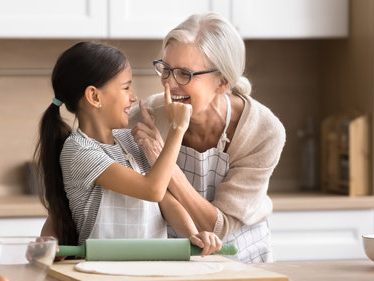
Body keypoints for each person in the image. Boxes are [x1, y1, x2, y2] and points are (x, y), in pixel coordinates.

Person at [35, 41, 222, 256]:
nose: (133, 97)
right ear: (95, 97)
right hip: (101, 272)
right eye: (125, 88)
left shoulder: (130, 139)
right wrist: (177, 129)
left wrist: (192, 234)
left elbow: (165, 200)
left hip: (150, 268)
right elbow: (152, 190)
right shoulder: (79, 150)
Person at [130, 12, 286, 262]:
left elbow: (220, 228)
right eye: (166, 69)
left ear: (222, 82)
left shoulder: (263, 131)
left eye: (185, 74)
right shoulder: (145, 119)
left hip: (242, 255)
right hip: (171, 256)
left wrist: (163, 159)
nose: (169, 84)